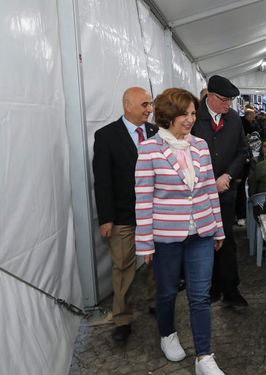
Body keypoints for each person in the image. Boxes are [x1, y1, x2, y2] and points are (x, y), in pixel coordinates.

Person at [134, 88, 225, 375]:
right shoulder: (149, 149)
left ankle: (204, 356)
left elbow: (210, 189)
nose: (190, 119)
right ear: (168, 115)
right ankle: (167, 333)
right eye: (184, 114)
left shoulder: (199, 145)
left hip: (202, 231)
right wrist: (144, 244)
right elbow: (143, 198)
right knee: (167, 291)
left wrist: (218, 229)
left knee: (199, 295)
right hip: (165, 236)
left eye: (193, 114)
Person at [92, 86, 157, 342]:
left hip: (154, 213)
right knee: (123, 268)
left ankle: (156, 303)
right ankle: (122, 319)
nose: (150, 110)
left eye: (150, 105)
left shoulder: (155, 133)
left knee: (157, 263)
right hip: (122, 216)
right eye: (144, 105)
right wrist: (106, 217)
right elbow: (103, 180)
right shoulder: (106, 136)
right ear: (127, 105)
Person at [192, 75, 249, 307]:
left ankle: (230, 289)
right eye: (224, 100)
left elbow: (243, 151)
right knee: (203, 240)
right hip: (198, 194)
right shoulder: (193, 118)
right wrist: (208, 182)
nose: (228, 105)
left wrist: (228, 175)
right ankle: (209, 288)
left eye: (230, 101)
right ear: (210, 97)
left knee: (226, 239)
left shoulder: (234, 119)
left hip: (225, 192)